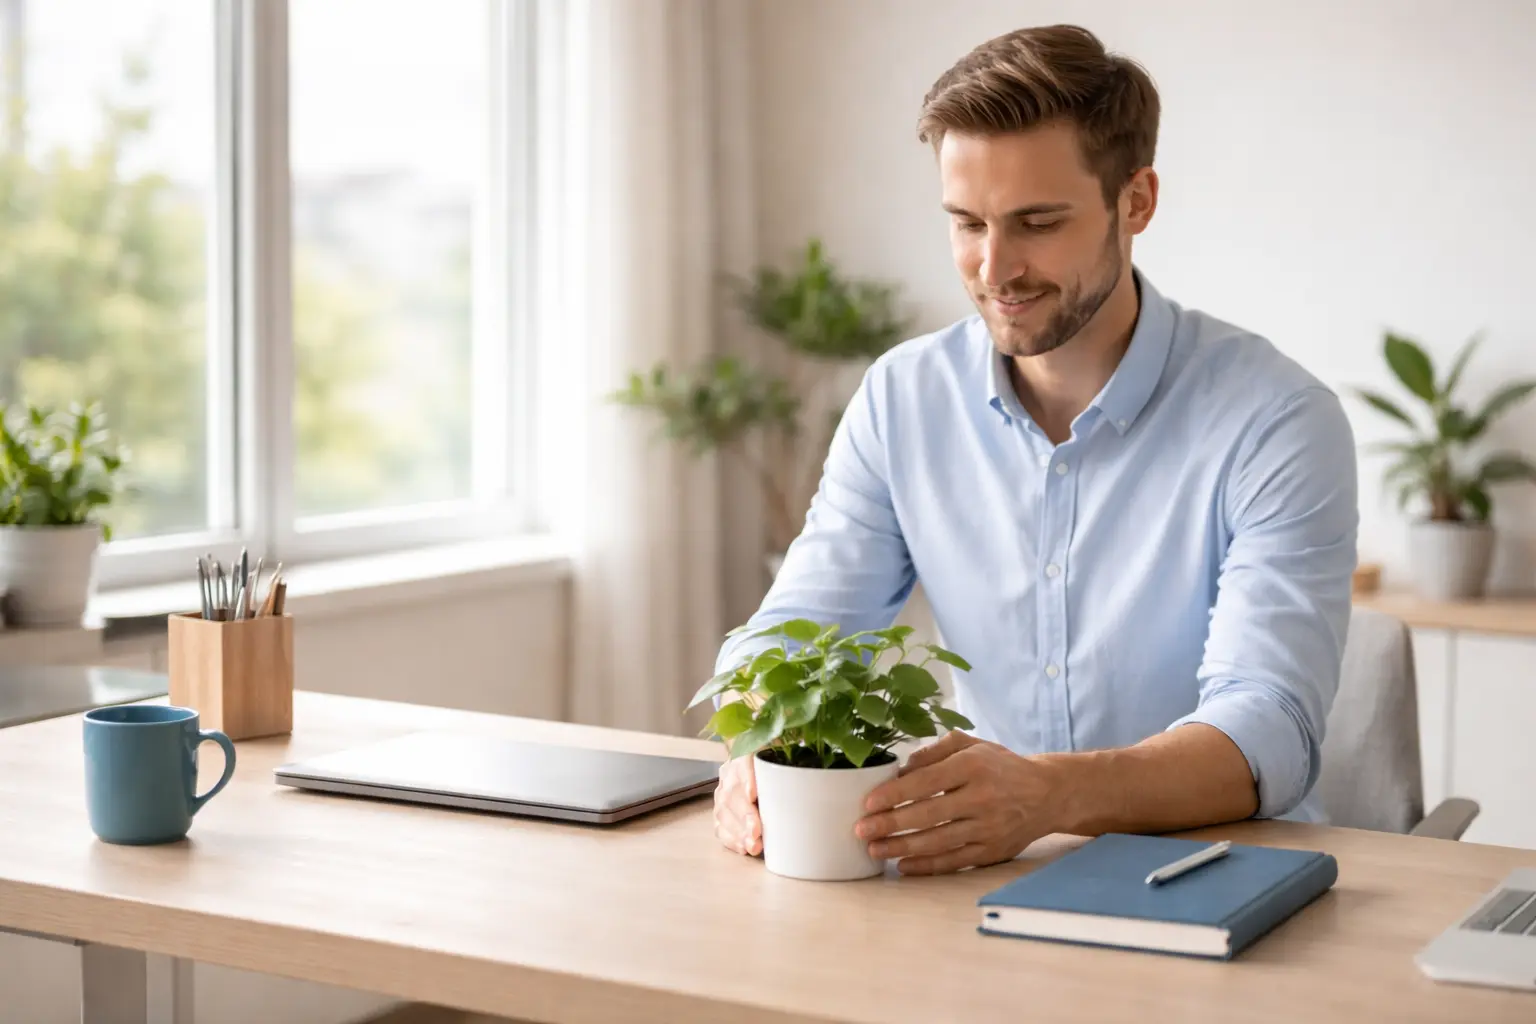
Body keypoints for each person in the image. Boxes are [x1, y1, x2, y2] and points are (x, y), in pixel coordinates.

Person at [710, 24, 1359, 876]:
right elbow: (788, 638)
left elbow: (1266, 729)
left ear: (1136, 201)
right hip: (983, 874)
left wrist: (1048, 795)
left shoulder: (1275, 420)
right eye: (966, 222)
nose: (995, 266)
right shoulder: (903, 400)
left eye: (1037, 222)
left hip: (1222, 874)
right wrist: (754, 749)